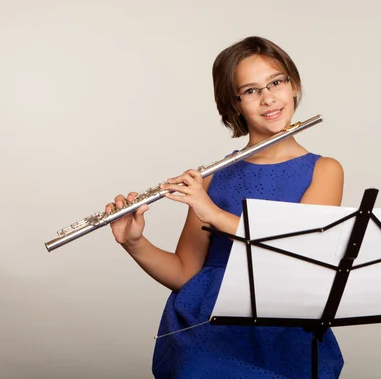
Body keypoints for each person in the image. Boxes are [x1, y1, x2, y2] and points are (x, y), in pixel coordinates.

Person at [105, 36, 345, 378]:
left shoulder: (324, 169)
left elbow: (296, 247)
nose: (267, 98)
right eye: (250, 91)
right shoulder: (209, 178)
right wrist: (134, 243)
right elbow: (185, 273)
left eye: (276, 82)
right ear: (234, 105)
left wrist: (213, 213)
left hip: (283, 328)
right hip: (208, 324)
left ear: (294, 86)